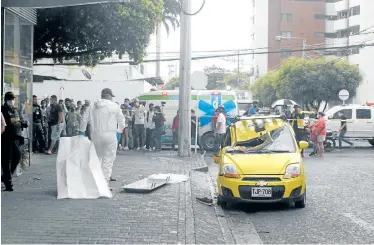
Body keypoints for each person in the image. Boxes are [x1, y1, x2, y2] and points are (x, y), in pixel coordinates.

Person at [79, 88, 125, 184]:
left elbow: (84, 120)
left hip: (95, 136)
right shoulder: (114, 106)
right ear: (108, 96)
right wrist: (119, 132)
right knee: (108, 160)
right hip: (110, 135)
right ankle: (104, 184)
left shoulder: (91, 106)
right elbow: (121, 120)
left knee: (96, 159)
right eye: (111, 96)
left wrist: (82, 132)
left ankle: (95, 182)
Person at [1, 92, 25, 191]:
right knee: (6, 161)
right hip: (5, 139)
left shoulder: (13, 110)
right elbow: (6, 126)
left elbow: (16, 122)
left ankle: (6, 177)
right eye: (10, 99)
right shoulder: (3, 109)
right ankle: (8, 183)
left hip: (13, 138)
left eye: (13, 99)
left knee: (17, 156)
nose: (12, 101)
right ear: (6, 100)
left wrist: (22, 124)